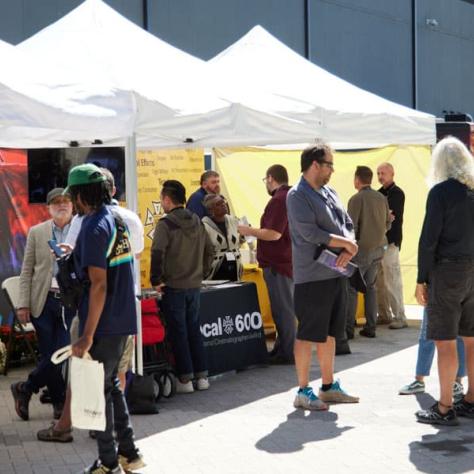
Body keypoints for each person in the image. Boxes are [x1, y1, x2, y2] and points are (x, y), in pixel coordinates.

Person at [38, 164, 144, 473]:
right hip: (120, 318)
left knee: (97, 393)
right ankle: (130, 454)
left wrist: (86, 335)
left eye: (73, 196)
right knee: (110, 386)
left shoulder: (95, 226)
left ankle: (108, 463)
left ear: (82, 195)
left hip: (103, 323)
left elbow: (99, 284)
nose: (72, 203)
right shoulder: (114, 219)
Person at [287, 142, 359, 411]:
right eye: (329, 164)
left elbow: (347, 222)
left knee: (330, 333)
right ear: (315, 164)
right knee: (307, 333)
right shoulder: (297, 195)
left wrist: (349, 244)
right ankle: (303, 391)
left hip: (335, 273)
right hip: (312, 277)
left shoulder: (330, 191)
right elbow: (309, 232)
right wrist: (345, 244)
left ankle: (327, 387)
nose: (332, 170)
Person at [415, 136, 474, 426]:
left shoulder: (440, 193)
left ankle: (444, 407)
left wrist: (421, 278)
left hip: (448, 271)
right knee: (473, 341)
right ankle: (472, 399)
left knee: (445, 342)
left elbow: (429, 240)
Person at [11, 188, 75, 421]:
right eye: (56, 202)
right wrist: (22, 304)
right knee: (50, 353)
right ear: (48, 207)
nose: (61, 205)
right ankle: (58, 402)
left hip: (70, 302)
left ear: (72, 205)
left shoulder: (80, 229)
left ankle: (25, 387)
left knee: (61, 353)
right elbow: (26, 270)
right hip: (43, 301)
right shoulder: (37, 232)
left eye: (65, 201)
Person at [150, 180, 214, 394]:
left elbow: (157, 253)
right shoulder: (197, 220)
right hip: (194, 285)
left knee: (178, 332)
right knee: (193, 330)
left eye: (162, 199)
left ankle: (185, 379)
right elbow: (210, 250)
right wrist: (202, 273)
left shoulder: (165, 224)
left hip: (174, 286)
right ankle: (202, 376)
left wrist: (155, 280)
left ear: (167, 200)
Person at [238, 164, 295, 364]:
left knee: (283, 309)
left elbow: (273, 233)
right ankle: (283, 348)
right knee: (282, 308)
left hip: (279, 263)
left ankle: (287, 352)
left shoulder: (280, 199)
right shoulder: (289, 196)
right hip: (283, 260)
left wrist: (248, 230)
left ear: (270, 178)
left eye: (265, 180)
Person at [346, 166, 391, 339]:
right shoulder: (381, 198)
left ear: (357, 180)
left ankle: (348, 329)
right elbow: (388, 224)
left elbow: (350, 228)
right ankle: (371, 327)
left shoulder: (356, 199)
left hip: (361, 250)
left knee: (351, 288)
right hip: (379, 249)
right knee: (371, 288)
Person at [399, 309, 465, 398]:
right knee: (427, 333)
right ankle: (419, 381)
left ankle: (457, 383)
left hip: (459, 297)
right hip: (435, 297)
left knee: (459, 334)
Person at [376, 163, 408, 329]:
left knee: (392, 279)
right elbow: (382, 216)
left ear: (392, 173)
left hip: (391, 242)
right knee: (380, 280)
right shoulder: (378, 193)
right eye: (378, 173)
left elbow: (390, 216)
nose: (380, 176)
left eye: (383, 173)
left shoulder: (397, 193)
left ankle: (400, 316)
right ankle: (384, 314)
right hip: (378, 243)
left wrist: (382, 215)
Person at [202, 194, 244, 281]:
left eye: (223, 201)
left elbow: (237, 243)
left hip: (235, 267)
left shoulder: (233, 220)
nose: (223, 204)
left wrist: (243, 238)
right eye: (218, 204)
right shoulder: (204, 226)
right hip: (215, 270)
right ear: (210, 210)